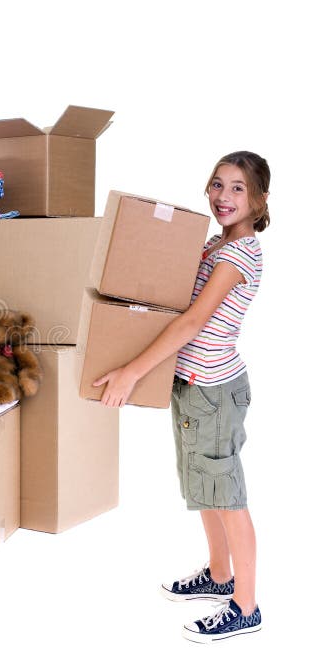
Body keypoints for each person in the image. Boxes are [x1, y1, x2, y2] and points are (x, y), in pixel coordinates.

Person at [93, 151, 269, 643]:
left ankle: (246, 606)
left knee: (227, 495)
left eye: (237, 188)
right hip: (194, 387)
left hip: (214, 391)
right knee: (205, 490)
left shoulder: (239, 255)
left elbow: (191, 321)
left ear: (259, 200)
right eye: (217, 184)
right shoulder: (215, 245)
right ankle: (218, 576)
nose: (223, 196)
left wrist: (131, 372)